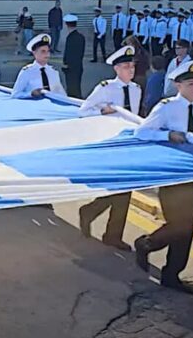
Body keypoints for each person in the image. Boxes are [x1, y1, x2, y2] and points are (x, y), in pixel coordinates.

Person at [134, 60, 193, 294]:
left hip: (190, 174)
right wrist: (168, 135)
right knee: (177, 224)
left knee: (187, 226)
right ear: (178, 85)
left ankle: (172, 274)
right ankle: (146, 244)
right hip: (170, 174)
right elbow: (141, 132)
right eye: (190, 84)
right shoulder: (166, 107)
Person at [77, 46, 141, 251]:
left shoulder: (136, 89)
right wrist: (104, 110)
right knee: (120, 189)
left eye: (132, 66)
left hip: (128, 144)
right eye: (125, 66)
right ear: (116, 69)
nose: (130, 70)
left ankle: (108, 229)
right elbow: (84, 111)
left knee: (125, 190)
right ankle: (98, 220)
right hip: (110, 143)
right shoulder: (106, 88)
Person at [11, 34, 66, 99]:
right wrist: (31, 94)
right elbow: (15, 94)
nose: (47, 54)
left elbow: (61, 94)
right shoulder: (27, 72)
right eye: (43, 51)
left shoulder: (53, 71)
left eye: (48, 51)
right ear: (34, 52)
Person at [62, 14, 85, 98]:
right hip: (78, 66)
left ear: (67, 24)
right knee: (77, 87)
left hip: (70, 67)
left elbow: (68, 53)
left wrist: (65, 64)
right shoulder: (81, 37)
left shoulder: (70, 38)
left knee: (71, 89)